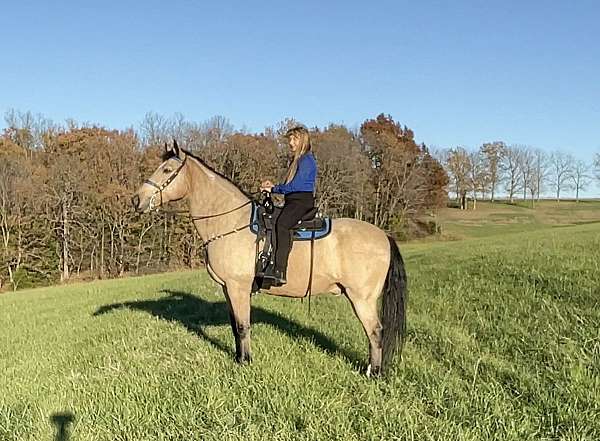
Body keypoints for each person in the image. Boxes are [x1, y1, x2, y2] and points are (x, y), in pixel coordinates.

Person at [260, 126, 317, 285]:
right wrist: (272, 187)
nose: (291, 143)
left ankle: (279, 270)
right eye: (289, 140)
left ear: (302, 140)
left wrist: (274, 189)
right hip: (293, 200)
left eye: (294, 139)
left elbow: (295, 186)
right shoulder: (297, 161)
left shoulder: (306, 160)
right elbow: (289, 186)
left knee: (282, 224)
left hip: (301, 201)